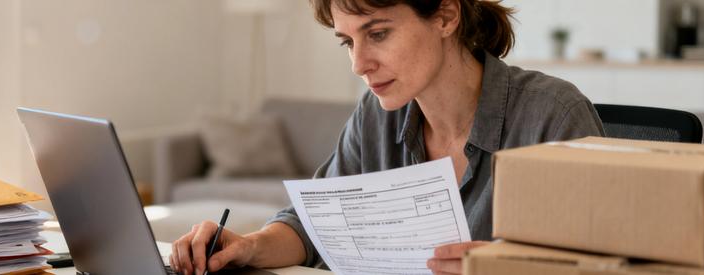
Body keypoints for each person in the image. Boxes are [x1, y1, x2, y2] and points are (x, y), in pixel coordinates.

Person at [170, 0, 604, 274]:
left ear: (446, 16)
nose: (359, 64)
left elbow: (600, 265)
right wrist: (247, 247)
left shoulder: (552, 116)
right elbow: (311, 229)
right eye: (348, 42)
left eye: (378, 34)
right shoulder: (376, 116)